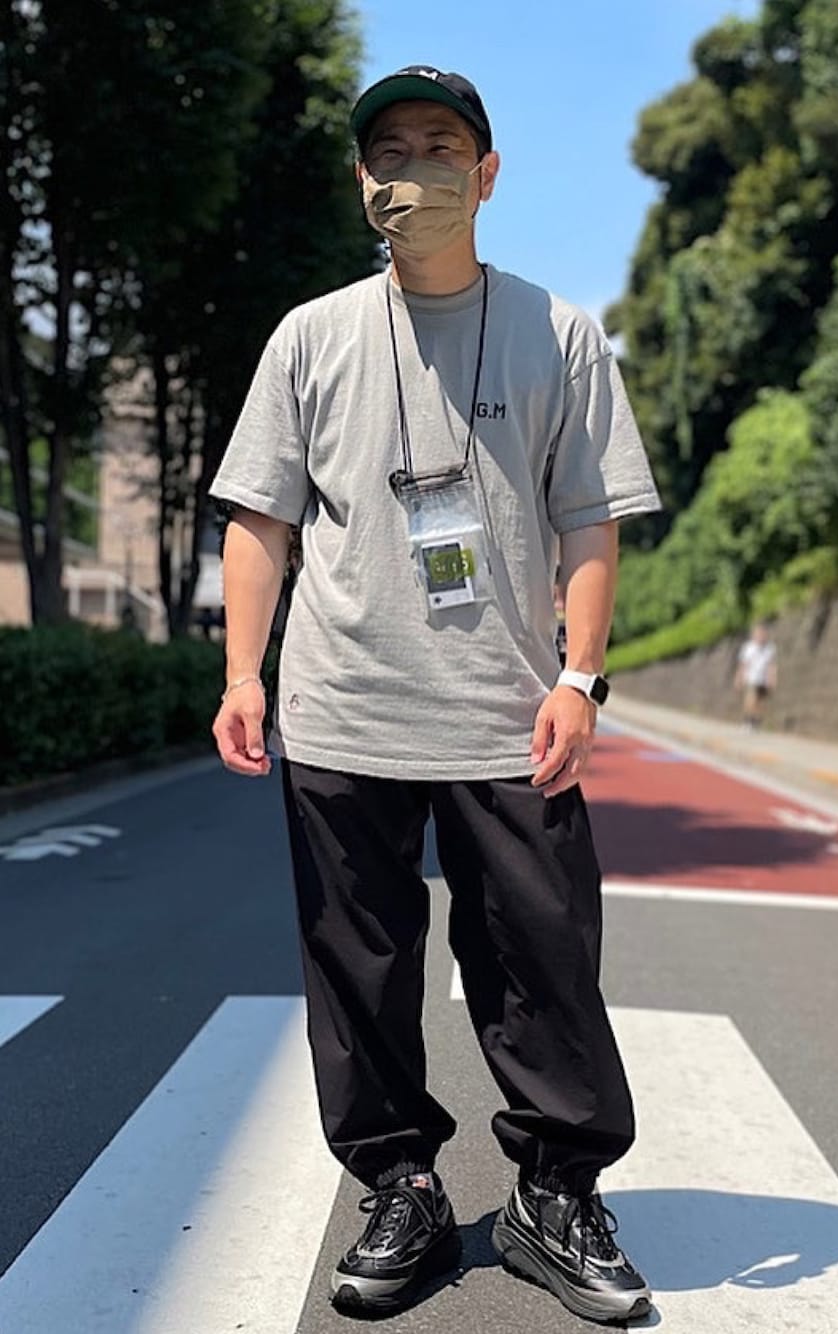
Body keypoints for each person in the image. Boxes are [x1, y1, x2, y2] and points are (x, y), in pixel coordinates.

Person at [209, 65, 660, 1325]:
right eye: (391, 151)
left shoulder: (559, 333)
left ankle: (552, 1192)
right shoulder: (311, 335)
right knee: (357, 967)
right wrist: (242, 672)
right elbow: (261, 517)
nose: (415, 170)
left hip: (509, 716)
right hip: (344, 704)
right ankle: (398, 1182)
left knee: (541, 960)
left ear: (487, 173)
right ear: (365, 180)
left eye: (440, 145)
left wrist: (579, 676)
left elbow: (589, 516)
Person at [736, 622, 778, 730]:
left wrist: (772, 679)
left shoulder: (770, 648)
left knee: (760, 702)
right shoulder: (748, 647)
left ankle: (755, 721)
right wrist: (739, 678)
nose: (761, 636)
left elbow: (772, 665)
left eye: (763, 634)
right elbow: (743, 664)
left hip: (764, 679)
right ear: (754, 635)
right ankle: (747, 720)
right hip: (751, 677)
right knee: (751, 699)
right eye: (758, 634)